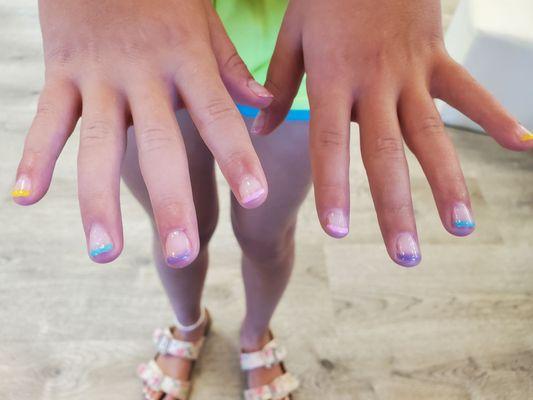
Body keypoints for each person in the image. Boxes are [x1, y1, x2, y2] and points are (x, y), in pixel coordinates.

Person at [11, 0, 533, 399]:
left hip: (306, 45)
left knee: (265, 234)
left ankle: (254, 335)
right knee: (180, 231)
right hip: (133, 41)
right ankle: (189, 325)